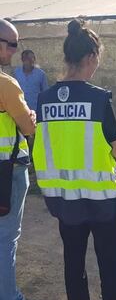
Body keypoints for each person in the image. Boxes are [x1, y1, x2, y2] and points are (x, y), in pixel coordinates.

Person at [33, 19, 116, 300]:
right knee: (110, 269)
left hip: (66, 201)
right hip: (105, 203)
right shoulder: (98, 99)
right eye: (97, 58)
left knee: (73, 267)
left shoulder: (44, 100)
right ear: (90, 57)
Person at [0, 18, 36, 300]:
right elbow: (28, 127)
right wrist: (31, 117)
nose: (14, 50)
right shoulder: (7, 86)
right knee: (6, 238)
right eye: (11, 44)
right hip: (7, 172)